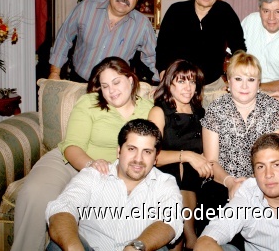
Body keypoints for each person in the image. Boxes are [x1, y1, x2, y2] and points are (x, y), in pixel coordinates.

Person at [12, 57, 154, 251]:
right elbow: (72, 146)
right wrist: (91, 164)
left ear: (130, 80)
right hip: (70, 161)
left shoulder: (149, 109)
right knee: (35, 193)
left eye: (116, 82)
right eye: (105, 86)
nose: (111, 91)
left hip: (112, 175)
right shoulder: (89, 102)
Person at [45, 119, 183, 251]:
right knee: (58, 246)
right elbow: (63, 208)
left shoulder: (165, 183)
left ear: (155, 158)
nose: (138, 159)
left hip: (138, 248)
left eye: (147, 152)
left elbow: (170, 222)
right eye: (131, 149)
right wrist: (73, 248)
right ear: (119, 151)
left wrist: (136, 247)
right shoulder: (94, 175)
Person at [198, 52, 279, 241]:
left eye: (251, 79)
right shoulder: (216, 109)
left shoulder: (273, 108)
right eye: (238, 79)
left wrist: (255, 182)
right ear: (228, 82)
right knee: (211, 199)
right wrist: (231, 182)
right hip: (223, 180)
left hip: (264, 179)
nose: (244, 85)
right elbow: (211, 161)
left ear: (258, 83)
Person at [48, 0, 159, 83]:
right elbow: (64, 38)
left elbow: (152, 58)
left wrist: (161, 86)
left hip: (115, 90)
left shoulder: (143, 25)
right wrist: (54, 73)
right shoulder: (85, 8)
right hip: (79, 82)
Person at [148, 59, 213, 250]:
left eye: (192, 82)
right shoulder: (159, 111)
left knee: (189, 168)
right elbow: (152, 156)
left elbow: (208, 153)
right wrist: (187, 155)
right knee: (180, 167)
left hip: (198, 179)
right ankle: (189, 236)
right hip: (166, 173)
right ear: (169, 83)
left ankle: (185, 237)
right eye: (182, 81)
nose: (188, 87)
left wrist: (198, 159)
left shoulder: (201, 114)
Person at [155, 0, 246, 90]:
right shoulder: (176, 11)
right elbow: (162, 48)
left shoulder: (226, 12)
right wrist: (164, 75)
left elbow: (239, 48)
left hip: (212, 86)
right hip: (179, 84)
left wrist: (235, 77)